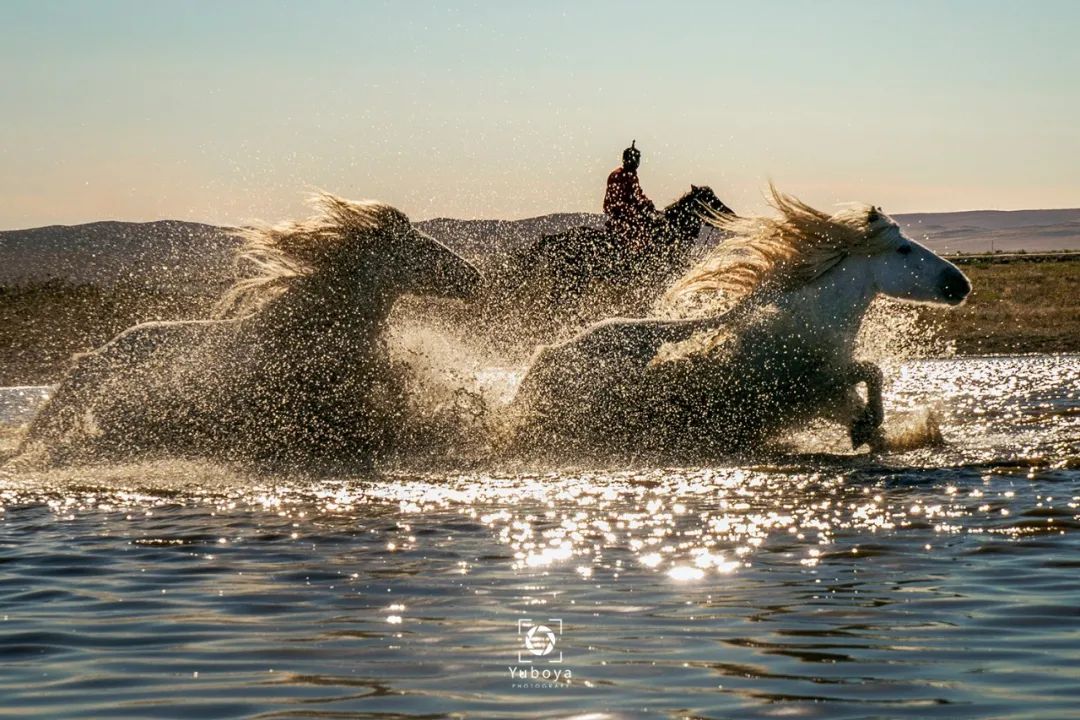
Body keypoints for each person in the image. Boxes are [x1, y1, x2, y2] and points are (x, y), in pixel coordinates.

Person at [604, 140, 657, 249]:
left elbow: (638, 194)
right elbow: (616, 201)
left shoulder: (632, 176)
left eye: (637, 160)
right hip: (619, 214)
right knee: (638, 233)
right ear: (626, 160)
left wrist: (647, 202)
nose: (636, 162)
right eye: (634, 159)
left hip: (631, 213)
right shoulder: (618, 175)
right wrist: (635, 208)